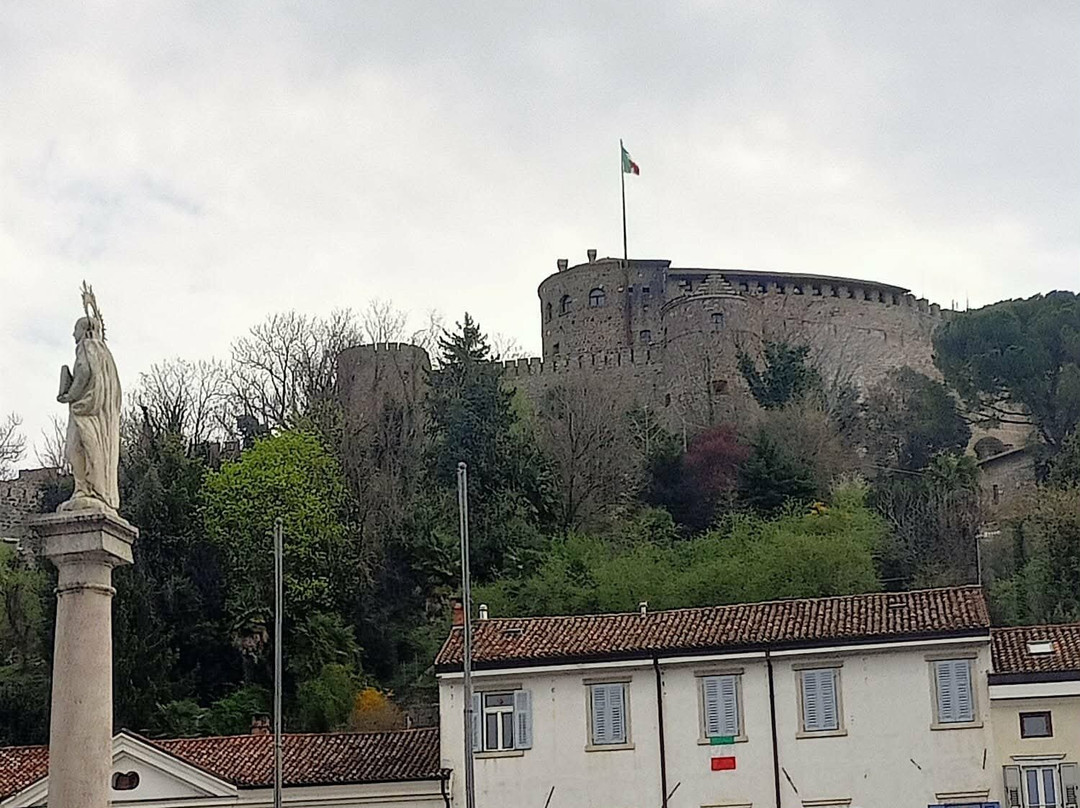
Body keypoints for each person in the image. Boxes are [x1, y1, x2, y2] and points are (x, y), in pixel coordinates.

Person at [56, 286, 122, 513]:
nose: (72, 335)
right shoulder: (105, 354)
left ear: (83, 331)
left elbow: (83, 371)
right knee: (91, 449)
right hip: (97, 413)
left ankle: (84, 489)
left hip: (84, 409)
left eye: (75, 330)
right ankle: (92, 489)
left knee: (74, 449)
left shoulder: (87, 346)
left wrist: (69, 395)